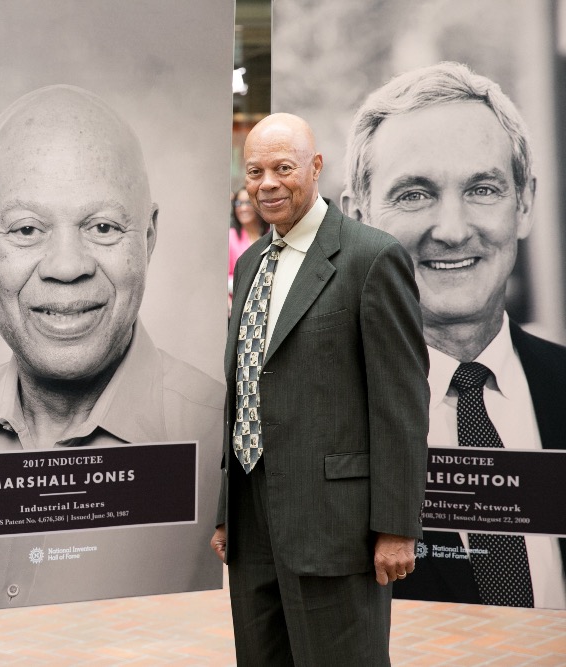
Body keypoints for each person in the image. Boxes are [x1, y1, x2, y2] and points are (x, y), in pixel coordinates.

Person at [0, 84, 225, 616]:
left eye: (103, 227)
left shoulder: (227, 444)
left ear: (150, 237)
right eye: (27, 229)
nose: (67, 266)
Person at [341, 61, 566, 609]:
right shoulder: (312, 418)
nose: (453, 229)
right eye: (414, 195)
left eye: (483, 188)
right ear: (357, 220)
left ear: (525, 204)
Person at [211, 112, 429, 666]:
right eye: (255, 170)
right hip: (253, 518)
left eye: (283, 168)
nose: (267, 183)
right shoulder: (254, 260)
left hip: (335, 525)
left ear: (315, 167)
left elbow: (401, 406)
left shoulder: (370, 258)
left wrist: (398, 529)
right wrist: (225, 509)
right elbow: (244, 388)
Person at [229, 186, 268, 313]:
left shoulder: (271, 235)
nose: (243, 208)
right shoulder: (230, 237)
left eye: (248, 203)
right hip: (237, 309)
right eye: (238, 203)